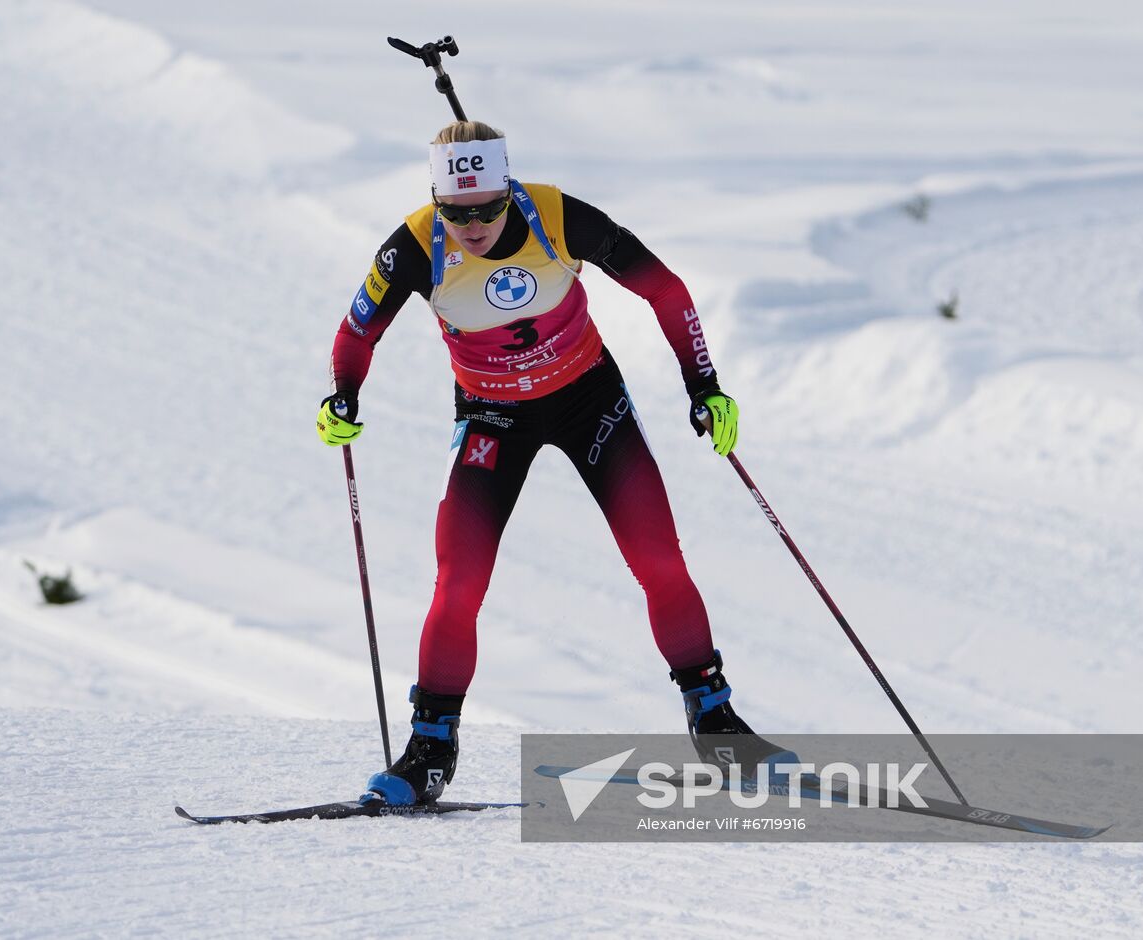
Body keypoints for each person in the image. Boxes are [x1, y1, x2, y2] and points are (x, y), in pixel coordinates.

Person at [317, 120, 791, 806]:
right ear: (436, 201)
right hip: (491, 418)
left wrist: (705, 386)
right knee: (458, 582)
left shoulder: (556, 215)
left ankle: (714, 719)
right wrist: (344, 395)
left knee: (658, 559)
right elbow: (357, 330)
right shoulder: (417, 245)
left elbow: (667, 288)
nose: (472, 226)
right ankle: (429, 751)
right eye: (457, 211)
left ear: (508, 189)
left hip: (588, 399)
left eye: (486, 208)